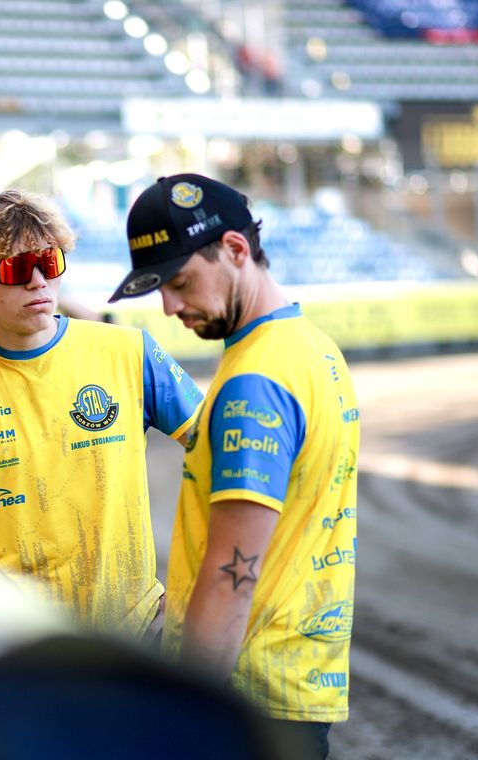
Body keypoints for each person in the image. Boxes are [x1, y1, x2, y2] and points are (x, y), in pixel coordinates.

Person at [108, 174, 359, 758]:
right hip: (293, 680)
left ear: (236, 251)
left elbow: (230, 573)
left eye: (181, 282)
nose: (169, 307)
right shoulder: (313, 347)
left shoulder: (256, 382)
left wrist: (183, 712)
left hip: (247, 696)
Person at [0, 189, 203, 637]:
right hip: (18, 650)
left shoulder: (129, 352)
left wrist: (200, 573)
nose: (38, 282)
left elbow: (218, 454)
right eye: (17, 269)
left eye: (48, 264)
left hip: (136, 638)